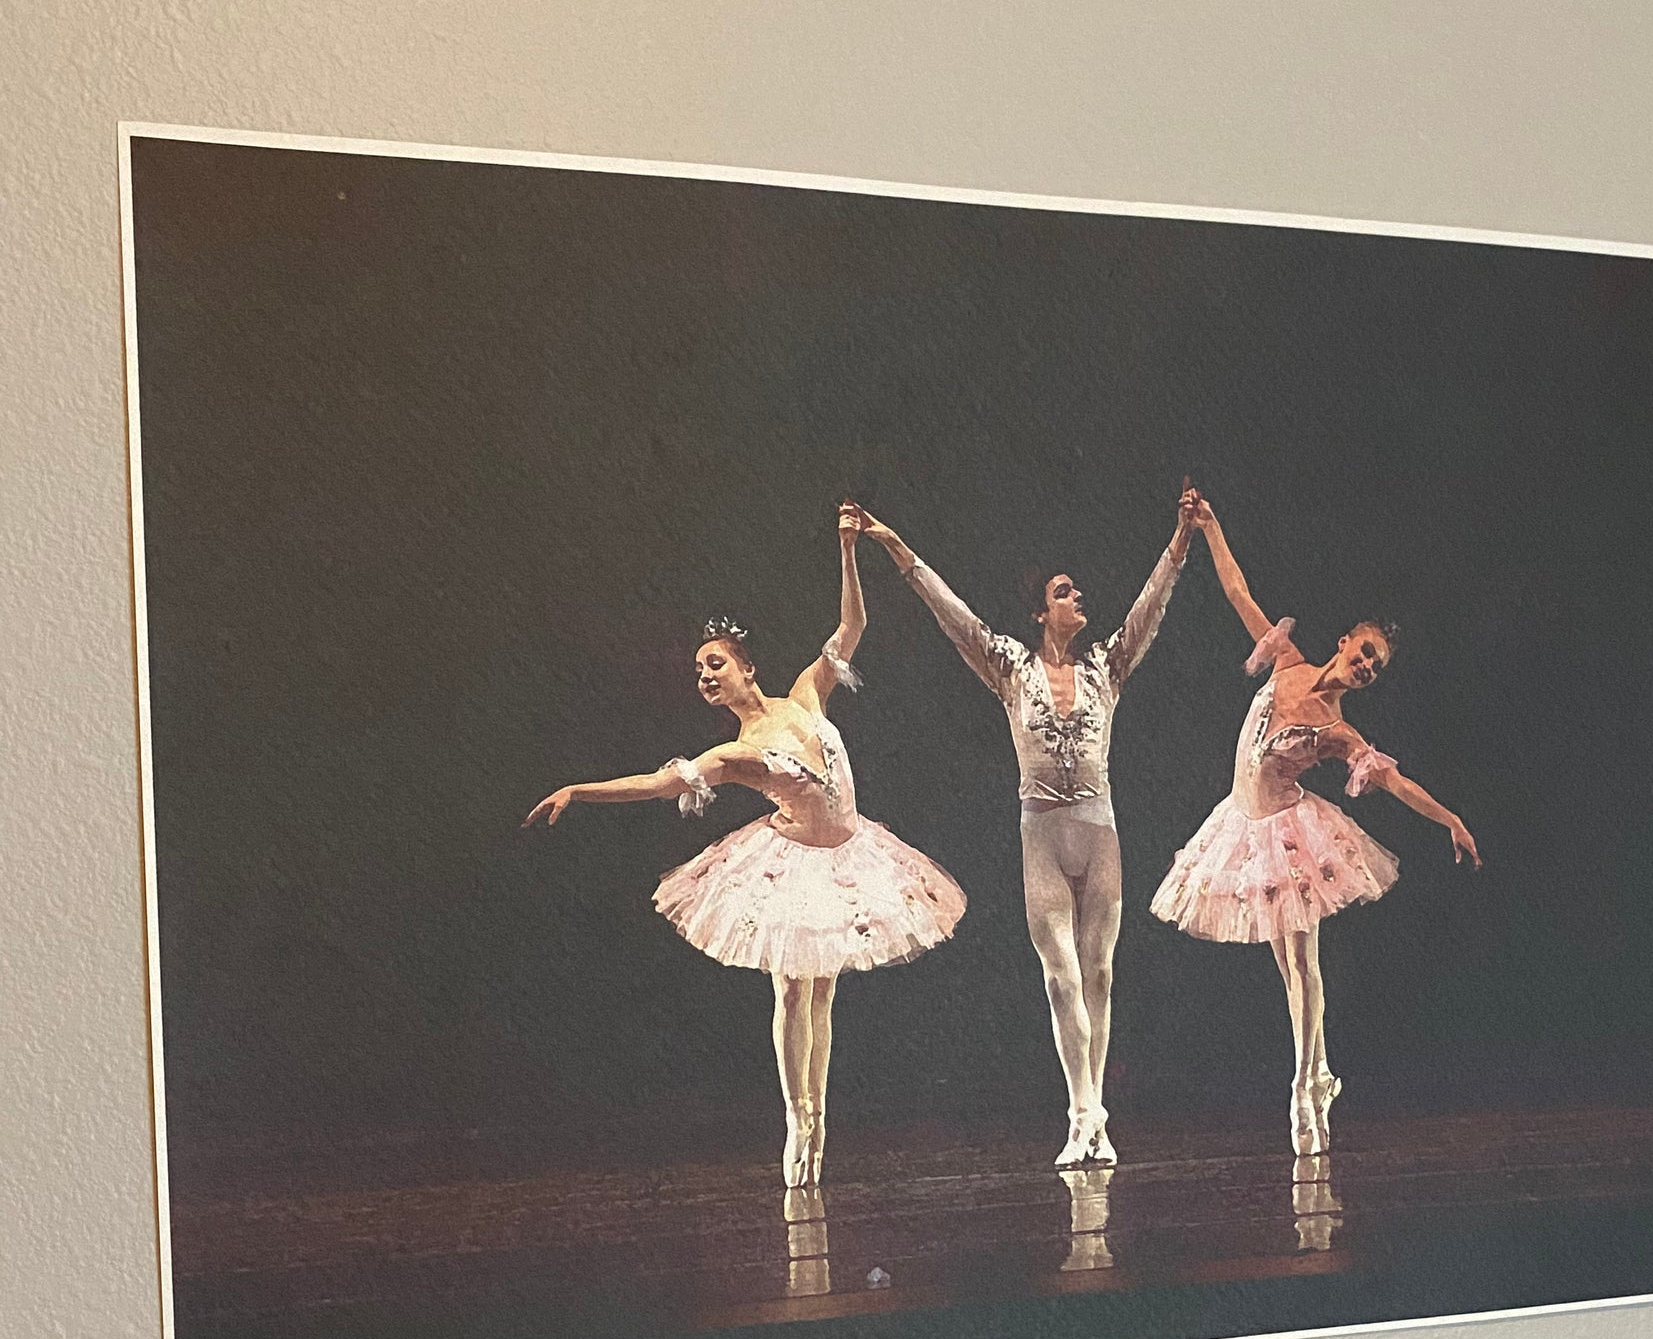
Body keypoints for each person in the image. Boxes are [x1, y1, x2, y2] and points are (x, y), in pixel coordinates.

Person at [523, 509, 965, 1187]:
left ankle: (819, 1118)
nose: (704, 675)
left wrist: (848, 546)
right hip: (790, 862)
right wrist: (579, 790)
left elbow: (852, 629)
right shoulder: (736, 751)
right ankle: (799, 1118)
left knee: (823, 994)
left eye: (715, 663)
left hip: (849, 855)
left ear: (746, 666)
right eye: (699, 669)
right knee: (792, 990)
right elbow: (660, 780)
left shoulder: (805, 694)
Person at [845, 485, 1197, 1166]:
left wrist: (1181, 538)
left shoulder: (1107, 664)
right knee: (1062, 976)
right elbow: (951, 614)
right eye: (1066, 593)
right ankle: (1080, 1111)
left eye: (1078, 592)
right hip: (1041, 834)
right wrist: (893, 544)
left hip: (1099, 832)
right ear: (1042, 611)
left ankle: (1095, 1119)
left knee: (1099, 973)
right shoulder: (1009, 665)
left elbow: (1151, 606)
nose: (1079, 600)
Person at [1152, 491, 1480, 1155]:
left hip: (1287, 835)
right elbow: (1239, 591)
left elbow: (1395, 782)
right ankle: (1320, 1073)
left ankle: (1305, 1084)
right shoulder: (1287, 661)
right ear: (1344, 642)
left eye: (1374, 667)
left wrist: (1450, 819)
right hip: (1241, 825)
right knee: (1289, 969)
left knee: (1303, 966)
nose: (1364, 666)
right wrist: (1212, 526)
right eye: (1363, 651)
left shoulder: (1336, 730)